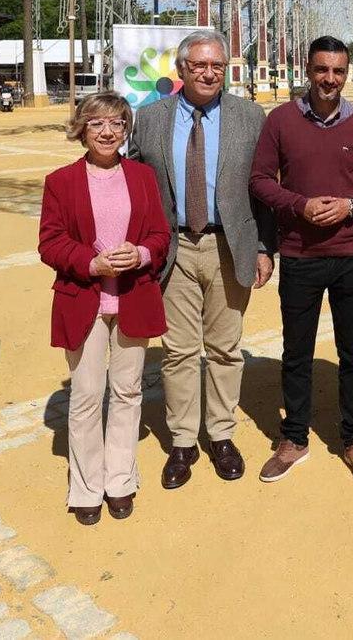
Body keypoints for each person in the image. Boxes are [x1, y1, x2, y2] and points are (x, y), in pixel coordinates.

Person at [129, 30, 275, 489]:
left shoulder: (250, 117)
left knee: (226, 349)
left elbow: (266, 188)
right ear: (181, 69)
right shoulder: (149, 118)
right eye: (199, 65)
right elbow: (133, 183)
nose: (209, 73)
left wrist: (264, 247)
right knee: (178, 351)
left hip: (229, 246)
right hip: (172, 248)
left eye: (217, 66)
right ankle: (182, 441)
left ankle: (222, 435)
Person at [250, 36, 353, 483]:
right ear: (308, 70)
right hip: (299, 254)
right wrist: (299, 205)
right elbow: (259, 180)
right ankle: (294, 438)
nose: (330, 79)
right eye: (322, 70)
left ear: (347, 73)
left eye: (338, 71)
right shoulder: (280, 120)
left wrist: (351, 205)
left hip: (351, 254)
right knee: (296, 351)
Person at [38, 93, 171, 525]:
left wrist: (142, 254)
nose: (108, 132)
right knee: (87, 395)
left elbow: (160, 234)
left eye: (116, 123)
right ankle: (86, 486)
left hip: (134, 295)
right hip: (84, 299)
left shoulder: (143, 177)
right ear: (82, 129)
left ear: (126, 129)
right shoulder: (61, 181)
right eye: (97, 123)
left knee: (128, 392)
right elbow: (50, 242)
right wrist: (90, 263)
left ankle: (120, 479)